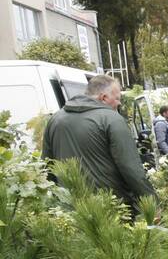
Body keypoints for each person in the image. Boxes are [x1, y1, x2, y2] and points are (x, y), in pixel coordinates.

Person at [42, 74, 155, 210]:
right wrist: (152, 203)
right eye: (117, 98)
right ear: (104, 97)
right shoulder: (112, 120)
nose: (119, 103)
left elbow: (48, 166)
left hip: (70, 208)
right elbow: (131, 169)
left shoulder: (55, 119)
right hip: (110, 209)